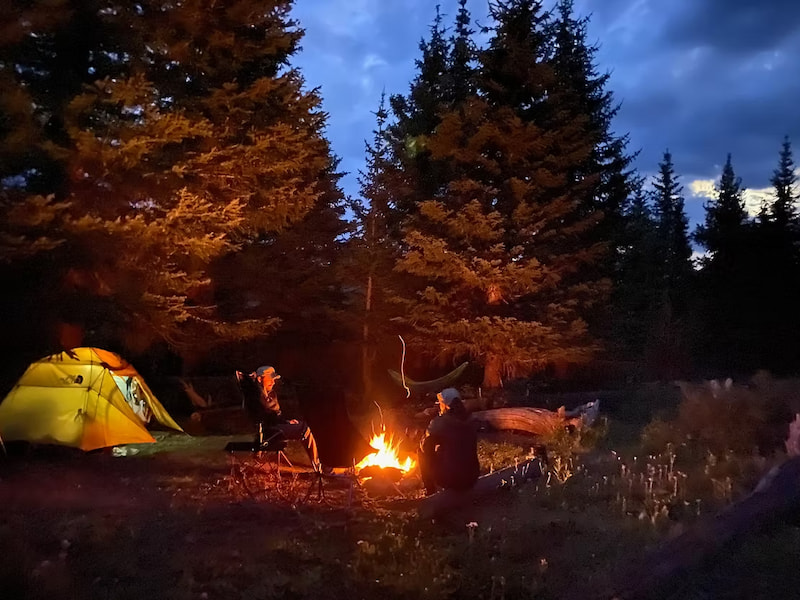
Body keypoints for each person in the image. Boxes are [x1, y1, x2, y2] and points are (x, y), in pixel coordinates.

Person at [235, 365, 321, 471]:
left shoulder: (269, 394)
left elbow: (274, 416)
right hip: (271, 432)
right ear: (260, 379)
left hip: (275, 427)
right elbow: (266, 417)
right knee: (305, 429)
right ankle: (319, 466)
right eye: (270, 379)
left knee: (308, 426)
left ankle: (321, 462)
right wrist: (285, 424)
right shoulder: (255, 396)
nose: (273, 382)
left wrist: (287, 422)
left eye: (274, 379)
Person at [418, 387, 480, 496]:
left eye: (440, 403)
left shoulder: (440, 423)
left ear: (445, 404)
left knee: (422, 451)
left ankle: (430, 491)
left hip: (452, 479)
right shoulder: (471, 419)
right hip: (472, 476)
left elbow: (425, 446)